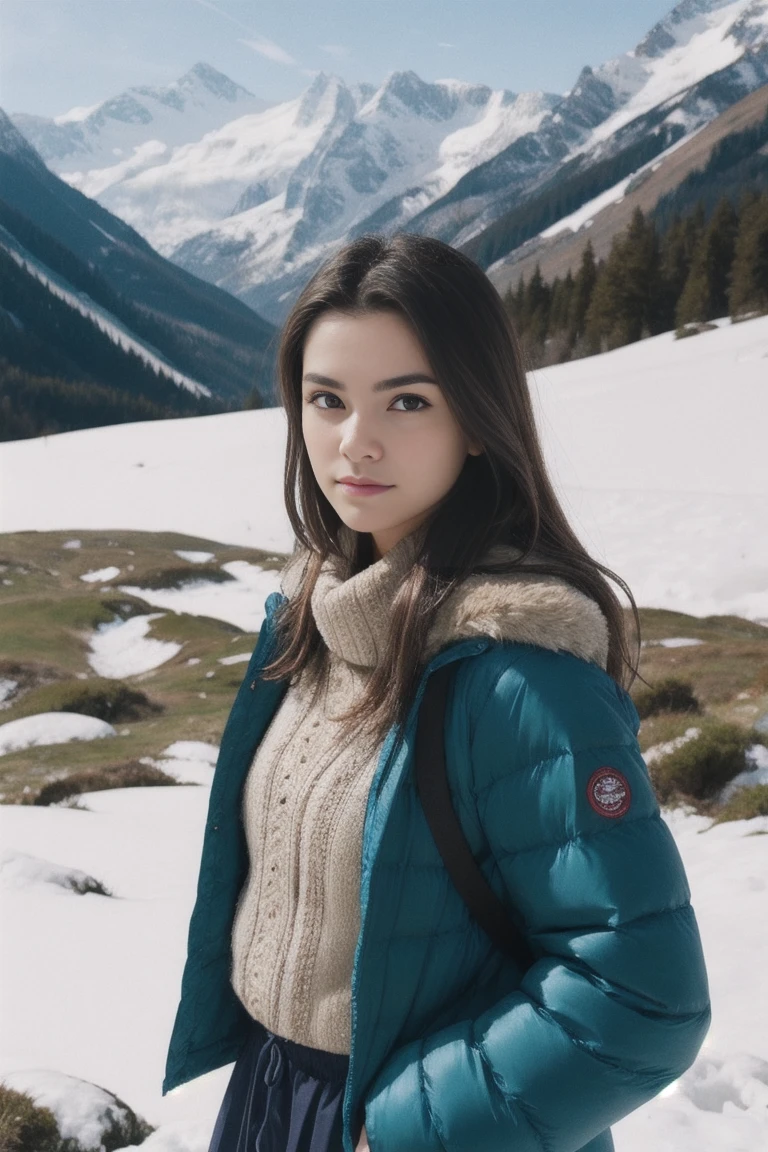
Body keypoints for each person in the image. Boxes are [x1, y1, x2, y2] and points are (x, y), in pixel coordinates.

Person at [162, 232, 711, 1152]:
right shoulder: (315, 622)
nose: (355, 442)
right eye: (326, 399)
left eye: (407, 401)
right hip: (274, 1100)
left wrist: (409, 1130)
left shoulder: (518, 672)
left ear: (476, 416)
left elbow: (643, 997)